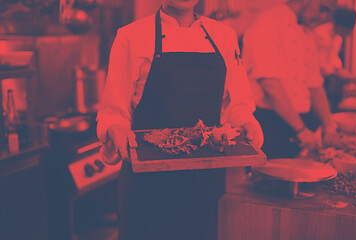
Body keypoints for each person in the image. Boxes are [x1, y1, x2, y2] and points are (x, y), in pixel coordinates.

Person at [96, 0, 263, 239]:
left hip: (204, 181)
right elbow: (114, 111)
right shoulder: (130, 36)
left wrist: (246, 122)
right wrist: (115, 128)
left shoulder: (224, 36)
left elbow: (237, 106)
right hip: (148, 184)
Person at [242, 0, 338, 159]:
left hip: (297, 124)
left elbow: (315, 85)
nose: (324, 17)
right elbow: (270, 86)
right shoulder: (267, 23)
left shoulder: (306, 32)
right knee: (269, 182)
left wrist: (329, 127)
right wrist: (301, 130)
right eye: (322, 9)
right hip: (269, 124)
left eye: (329, 14)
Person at [312, 6, 356, 110]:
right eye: (347, 31)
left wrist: (345, 73)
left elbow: (333, 60)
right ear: (340, 26)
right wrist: (341, 74)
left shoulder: (338, 38)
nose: (348, 35)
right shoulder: (320, 34)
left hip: (328, 79)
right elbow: (321, 65)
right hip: (315, 80)